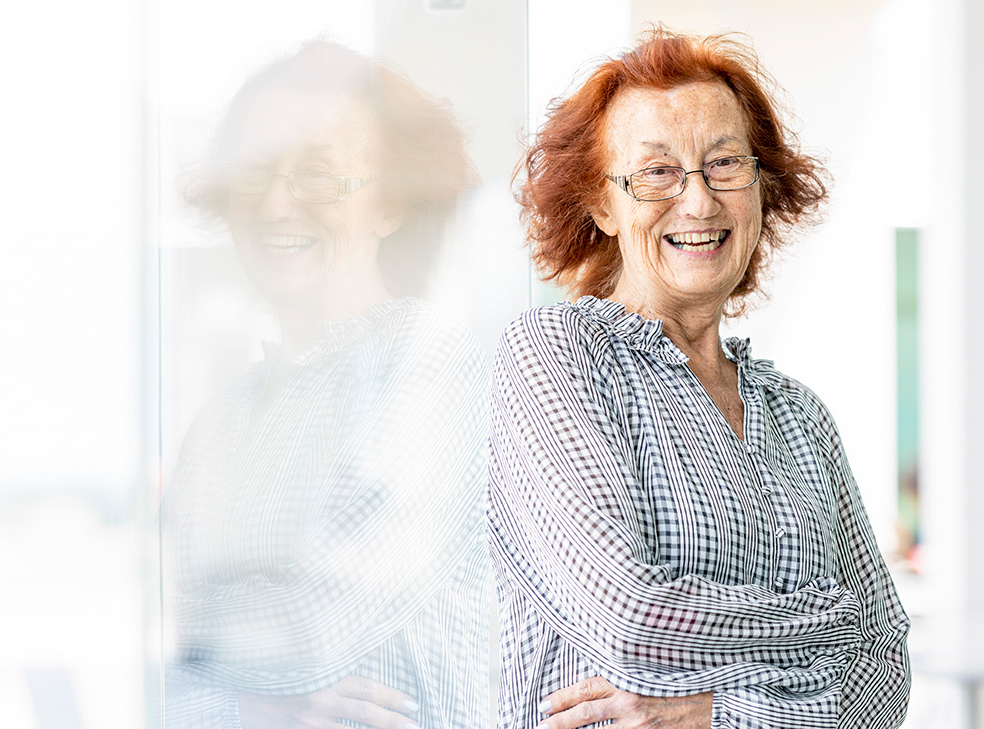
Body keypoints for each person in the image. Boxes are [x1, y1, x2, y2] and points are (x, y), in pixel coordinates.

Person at [487, 30, 911, 729]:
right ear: (602, 205)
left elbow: (887, 671)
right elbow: (630, 616)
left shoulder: (801, 417)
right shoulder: (556, 354)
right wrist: (831, 623)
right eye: (656, 172)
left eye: (723, 164)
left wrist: (718, 710)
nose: (699, 201)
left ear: (760, 187)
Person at [163, 41, 491, 729]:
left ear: (391, 203)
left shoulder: (438, 369)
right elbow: (170, 657)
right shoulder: (220, 422)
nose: (278, 204)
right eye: (256, 175)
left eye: (318, 174)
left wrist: (221, 684)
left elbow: (320, 620)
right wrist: (247, 698)